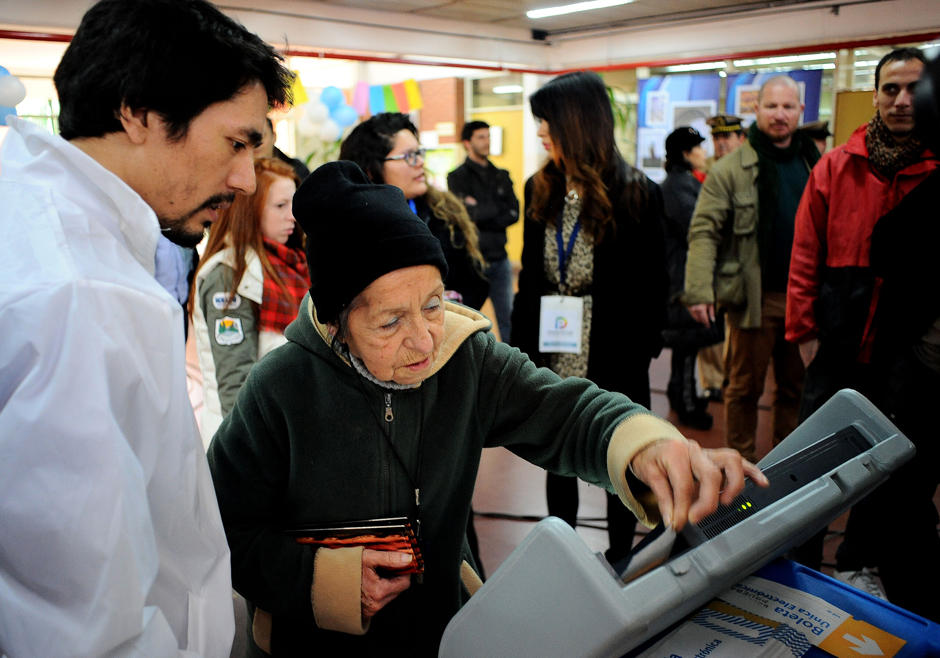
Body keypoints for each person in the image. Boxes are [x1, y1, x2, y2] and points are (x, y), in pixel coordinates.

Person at [207, 160, 765, 655]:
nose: (425, 341)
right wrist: (321, 580)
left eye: (432, 305)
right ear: (337, 323)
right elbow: (226, 527)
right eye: (390, 322)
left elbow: (568, 414)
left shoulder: (464, 358)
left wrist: (647, 448)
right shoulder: (278, 389)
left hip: (451, 634)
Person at [0, 0, 292, 655]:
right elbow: (85, 620)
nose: (246, 180)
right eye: (236, 143)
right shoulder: (82, 294)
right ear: (138, 112)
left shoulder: (30, 219)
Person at [786, 48, 938, 618]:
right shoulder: (836, 165)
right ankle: (792, 560)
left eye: (912, 90)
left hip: (904, 347)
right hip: (836, 335)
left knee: (885, 462)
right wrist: (804, 332)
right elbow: (806, 251)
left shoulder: (936, 166)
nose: (901, 100)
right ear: (874, 95)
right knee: (811, 456)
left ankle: (858, 562)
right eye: (890, 89)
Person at [511, 71, 670, 564]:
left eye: (548, 123)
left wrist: (643, 347)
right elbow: (531, 278)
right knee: (558, 457)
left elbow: (654, 283)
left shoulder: (638, 192)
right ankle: (566, 558)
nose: (541, 133)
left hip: (615, 349)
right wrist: (521, 351)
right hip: (554, 348)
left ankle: (625, 557)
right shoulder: (538, 188)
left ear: (577, 124)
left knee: (622, 455)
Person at [684, 76, 820, 464]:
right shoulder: (731, 169)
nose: (780, 115)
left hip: (804, 301)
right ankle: (739, 472)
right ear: (757, 110)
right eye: (772, 106)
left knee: (796, 390)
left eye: (788, 107)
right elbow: (704, 230)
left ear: (800, 112)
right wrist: (698, 290)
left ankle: (788, 469)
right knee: (743, 389)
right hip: (752, 300)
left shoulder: (818, 164)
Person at [192, 157, 309, 448]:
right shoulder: (229, 273)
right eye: (280, 206)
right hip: (247, 442)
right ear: (250, 209)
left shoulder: (290, 262)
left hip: (287, 429)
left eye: (293, 205)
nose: (292, 216)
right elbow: (235, 381)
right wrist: (250, 453)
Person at [340, 112, 490, 310]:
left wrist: (448, 309)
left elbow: (477, 280)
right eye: (409, 156)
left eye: (419, 153)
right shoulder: (349, 228)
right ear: (370, 169)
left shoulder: (444, 211)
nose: (420, 162)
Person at [661, 126, 722, 431]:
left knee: (689, 346)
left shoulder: (683, 183)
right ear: (686, 153)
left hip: (683, 276)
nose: (704, 153)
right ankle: (684, 402)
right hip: (681, 279)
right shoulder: (678, 186)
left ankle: (684, 394)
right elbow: (695, 229)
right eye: (698, 148)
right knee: (685, 346)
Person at [447, 120, 520, 341]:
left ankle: (513, 370)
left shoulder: (501, 175)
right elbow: (464, 216)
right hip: (472, 262)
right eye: (481, 137)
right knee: (468, 321)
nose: (487, 141)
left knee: (508, 319)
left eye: (488, 136)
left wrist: (478, 208)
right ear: (467, 143)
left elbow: (514, 213)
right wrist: (496, 209)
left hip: (500, 260)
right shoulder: (457, 177)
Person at [697, 113, 748, 401]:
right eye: (716, 138)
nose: (720, 143)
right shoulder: (705, 172)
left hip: (741, 264)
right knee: (711, 326)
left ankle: (731, 376)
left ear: (740, 139)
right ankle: (712, 381)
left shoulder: (751, 170)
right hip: (714, 261)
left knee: (738, 328)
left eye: (726, 137)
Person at [254, 116, 311, 182]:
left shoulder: (296, 169)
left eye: (261, 137)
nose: (256, 144)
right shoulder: (241, 173)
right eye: (251, 138)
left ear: (274, 137)